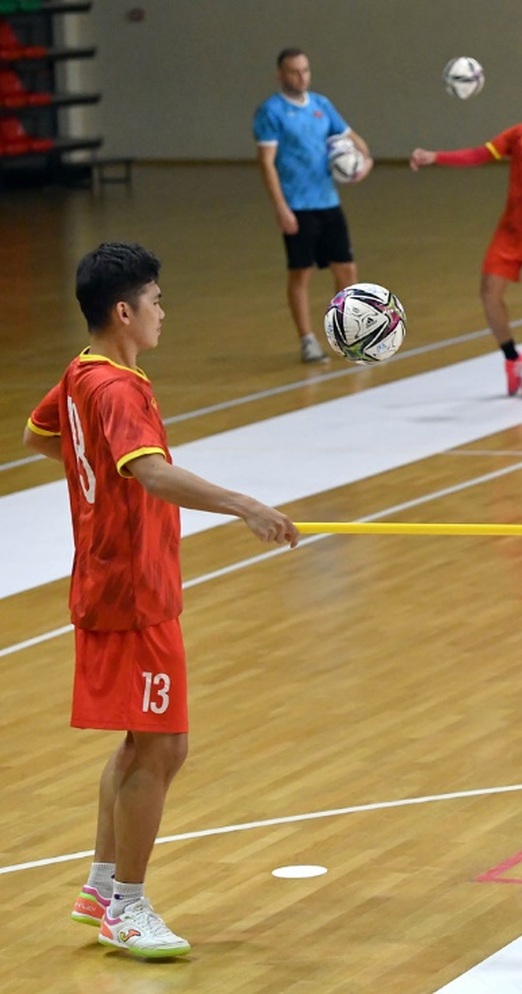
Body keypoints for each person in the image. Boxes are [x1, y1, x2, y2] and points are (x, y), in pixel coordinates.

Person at [24, 243, 300, 959]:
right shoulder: (117, 389)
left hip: (116, 580)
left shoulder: (82, 372)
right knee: (164, 744)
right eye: (155, 300)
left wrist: (100, 475)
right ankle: (127, 906)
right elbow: (149, 471)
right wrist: (245, 506)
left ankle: (100, 887)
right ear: (124, 311)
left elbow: (39, 434)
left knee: (142, 742)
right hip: (132, 593)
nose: (163, 312)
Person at [410, 75, 522, 400]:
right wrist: (435, 157)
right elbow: (478, 155)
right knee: (489, 294)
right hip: (510, 233)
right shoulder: (519, 135)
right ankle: (512, 358)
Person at [253, 47, 373, 364]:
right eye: (294, 71)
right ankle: (307, 340)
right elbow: (266, 163)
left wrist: (364, 164)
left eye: (305, 70)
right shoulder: (271, 111)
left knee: (347, 269)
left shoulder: (321, 105)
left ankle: (349, 335)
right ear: (281, 75)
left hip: (328, 201)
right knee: (301, 273)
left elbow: (354, 139)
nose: (301, 77)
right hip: (297, 205)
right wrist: (281, 207)